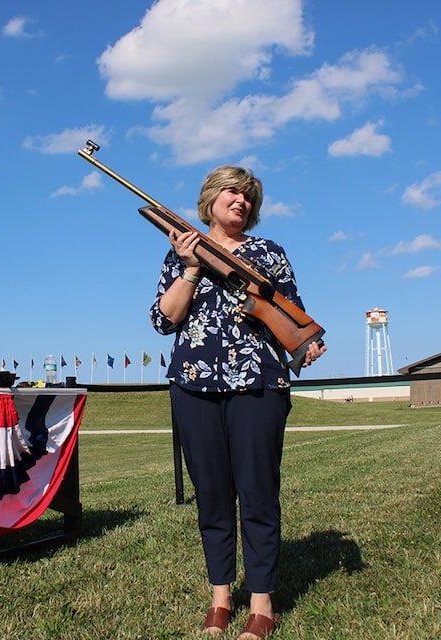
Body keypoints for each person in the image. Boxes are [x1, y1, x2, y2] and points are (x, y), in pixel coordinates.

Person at [150, 165, 326, 640]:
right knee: (211, 494)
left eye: (248, 196)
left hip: (259, 384)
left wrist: (304, 346)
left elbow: (292, 312)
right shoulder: (181, 251)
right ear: (210, 200)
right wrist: (189, 268)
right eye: (231, 192)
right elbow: (164, 321)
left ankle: (262, 603)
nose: (241, 200)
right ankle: (221, 598)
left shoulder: (269, 253)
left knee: (258, 492)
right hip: (193, 384)